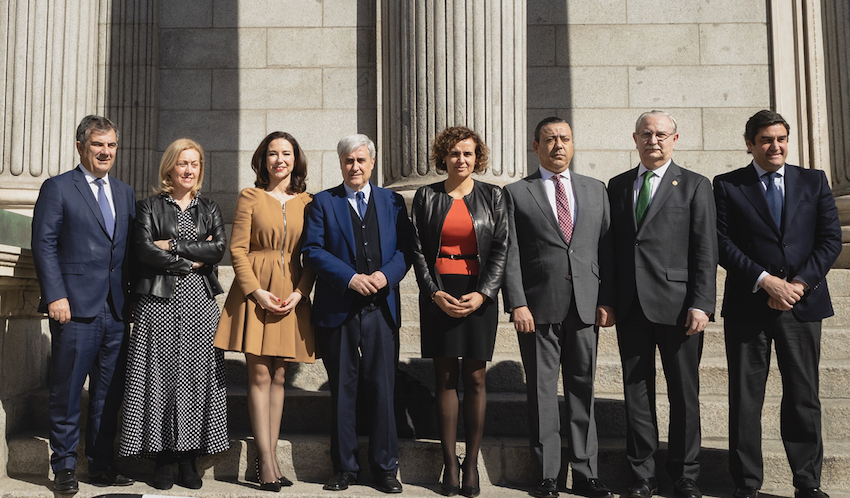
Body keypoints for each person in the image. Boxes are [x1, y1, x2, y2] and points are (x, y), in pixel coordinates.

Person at [714, 110, 841, 498]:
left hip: (802, 306)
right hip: (749, 305)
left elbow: (830, 240)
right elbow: (721, 242)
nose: (775, 146)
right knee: (745, 397)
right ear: (749, 143)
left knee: (803, 396)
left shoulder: (813, 181)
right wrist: (765, 281)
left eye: (781, 138)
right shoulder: (727, 185)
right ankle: (747, 483)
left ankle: (807, 482)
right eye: (767, 139)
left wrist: (798, 284)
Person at [502, 117, 615, 498]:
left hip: (585, 308)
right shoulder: (517, 193)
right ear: (535, 146)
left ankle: (586, 473)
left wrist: (606, 299)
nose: (558, 146)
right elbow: (510, 254)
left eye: (565, 138)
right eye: (549, 139)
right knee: (542, 392)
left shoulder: (596, 190)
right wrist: (517, 302)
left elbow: (608, 251)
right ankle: (548, 474)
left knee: (582, 388)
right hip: (538, 309)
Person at [608, 110, 717, 498]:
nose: (653, 140)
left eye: (661, 134)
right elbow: (612, 249)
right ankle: (642, 475)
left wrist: (702, 303)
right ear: (634, 139)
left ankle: (685, 474)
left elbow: (706, 249)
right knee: (637, 393)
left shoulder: (695, 185)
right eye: (646, 134)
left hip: (680, 308)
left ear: (675, 139)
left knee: (683, 393)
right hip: (631, 306)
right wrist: (608, 300)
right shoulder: (617, 186)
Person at [302, 134, 413, 494]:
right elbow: (313, 252)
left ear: (372, 163)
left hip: (380, 308)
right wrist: (349, 278)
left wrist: (384, 276)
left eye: (361, 160)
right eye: (349, 160)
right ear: (340, 163)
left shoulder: (392, 201)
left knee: (382, 388)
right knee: (343, 389)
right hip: (338, 307)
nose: (355, 166)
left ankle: (384, 469)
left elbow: (406, 250)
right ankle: (344, 468)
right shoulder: (322, 202)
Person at [31, 115, 136, 492]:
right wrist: (56, 295)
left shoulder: (124, 193)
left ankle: (102, 464)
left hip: (115, 310)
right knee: (67, 391)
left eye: (110, 145)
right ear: (81, 147)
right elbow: (43, 244)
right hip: (73, 308)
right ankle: (63, 468)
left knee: (110, 394)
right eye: (97, 145)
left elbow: (127, 252)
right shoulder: (58, 188)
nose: (105, 152)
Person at [119, 138, 229, 490]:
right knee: (160, 376)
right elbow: (143, 251)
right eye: (183, 163)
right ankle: (162, 457)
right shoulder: (148, 206)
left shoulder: (209, 208)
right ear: (169, 167)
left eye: (195, 163)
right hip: (158, 303)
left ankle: (188, 458)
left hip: (199, 303)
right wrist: (189, 260)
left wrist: (174, 245)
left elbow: (218, 249)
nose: (189, 169)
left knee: (196, 379)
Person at [214, 131, 316, 492]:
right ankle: (266, 461)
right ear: (263, 160)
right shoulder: (250, 196)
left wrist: (301, 293)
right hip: (255, 291)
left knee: (278, 377)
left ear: (296, 160)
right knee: (258, 375)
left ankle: (268, 456)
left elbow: (313, 255)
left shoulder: (308, 201)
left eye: (286, 153)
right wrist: (255, 291)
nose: (279, 160)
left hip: (291, 293)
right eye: (272, 154)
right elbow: (237, 250)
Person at [411, 126, 508, 498]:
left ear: (477, 157)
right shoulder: (426, 196)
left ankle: (472, 464)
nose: (461, 160)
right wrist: (433, 292)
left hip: (478, 294)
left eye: (468, 154)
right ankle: (450, 463)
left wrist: (483, 294)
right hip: (440, 293)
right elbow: (417, 250)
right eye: (454, 154)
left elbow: (501, 247)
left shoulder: (494, 196)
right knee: (446, 376)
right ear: (443, 157)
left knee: (477, 378)